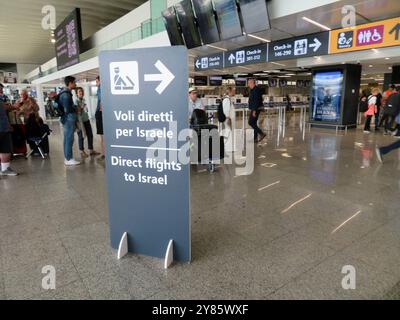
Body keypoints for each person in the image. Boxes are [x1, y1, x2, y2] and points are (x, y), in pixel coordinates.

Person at [59, 76, 80, 166]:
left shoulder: (64, 93)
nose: (75, 84)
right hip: (68, 119)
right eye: (74, 82)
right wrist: (76, 108)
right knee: (69, 139)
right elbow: (68, 109)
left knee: (67, 138)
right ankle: (68, 158)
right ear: (70, 83)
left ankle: (67, 157)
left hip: (66, 119)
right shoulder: (66, 94)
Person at [74, 87, 100, 159]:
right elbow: (78, 111)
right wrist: (82, 107)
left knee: (90, 135)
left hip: (86, 119)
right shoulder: (76, 101)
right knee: (81, 136)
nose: (81, 93)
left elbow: (85, 110)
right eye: (79, 92)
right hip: (80, 121)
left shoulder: (83, 100)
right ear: (76, 93)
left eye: (82, 91)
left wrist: (84, 107)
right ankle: (82, 151)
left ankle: (91, 150)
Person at [0, 86, 18, 176]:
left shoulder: (1, 99)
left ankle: (5, 169)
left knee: (5, 149)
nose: (1, 91)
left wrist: (8, 125)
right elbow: (5, 108)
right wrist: (14, 106)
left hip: (4, 128)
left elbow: (3, 114)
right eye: (0, 89)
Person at [222, 86, 237, 152]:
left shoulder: (228, 99)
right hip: (228, 120)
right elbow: (226, 111)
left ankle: (229, 147)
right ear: (229, 92)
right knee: (229, 133)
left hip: (230, 119)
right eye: (233, 90)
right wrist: (228, 119)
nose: (234, 91)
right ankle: (228, 148)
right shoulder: (226, 100)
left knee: (229, 133)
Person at [95, 76, 105, 161]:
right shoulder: (104, 87)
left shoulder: (100, 88)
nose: (96, 83)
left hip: (100, 113)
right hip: (101, 113)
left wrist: (101, 109)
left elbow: (101, 100)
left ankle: (104, 153)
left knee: (103, 136)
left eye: (97, 81)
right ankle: (104, 153)